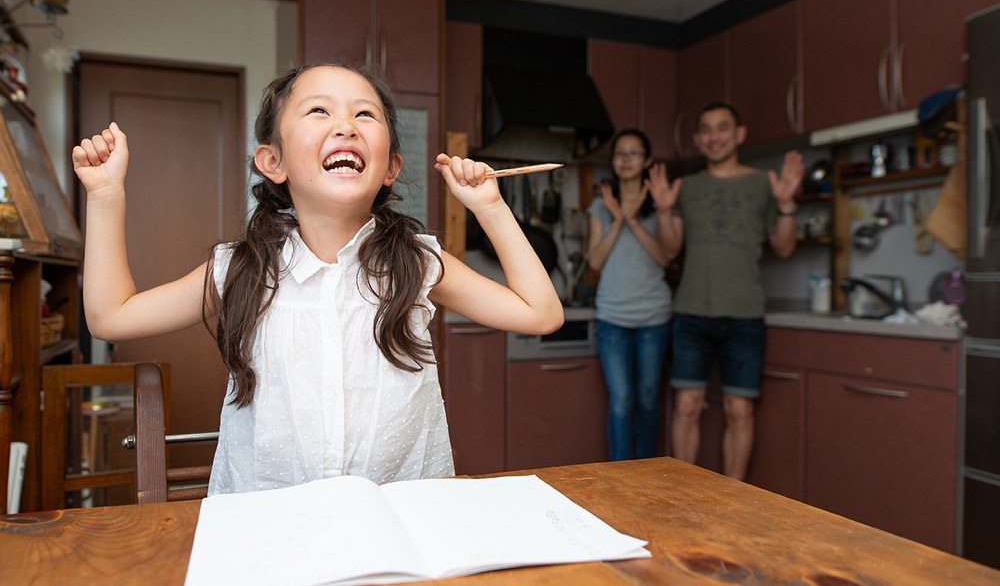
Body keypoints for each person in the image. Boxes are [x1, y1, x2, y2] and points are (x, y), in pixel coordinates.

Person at [73, 63, 564, 495]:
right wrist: (104, 194)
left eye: (365, 115)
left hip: (404, 520)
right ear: (274, 162)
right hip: (270, 528)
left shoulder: (416, 262)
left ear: (391, 167)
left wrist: (490, 207)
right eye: (319, 112)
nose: (346, 126)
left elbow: (540, 314)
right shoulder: (239, 267)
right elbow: (109, 316)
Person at [647, 102, 804, 481]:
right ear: (698, 138)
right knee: (687, 406)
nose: (714, 136)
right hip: (691, 313)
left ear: (739, 134)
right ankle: (685, 493)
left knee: (739, 410)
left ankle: (734, 499)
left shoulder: (763, 184)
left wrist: (785, 204)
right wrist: (665, 211)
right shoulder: (688, 186)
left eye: (722, 128)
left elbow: (784, 248)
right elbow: (669, 251)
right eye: (706, 129)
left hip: (745, 314)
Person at [586, 129, 673, 461]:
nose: (625, 159)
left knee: (649, 397)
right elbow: (594, 261)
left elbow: (665, 257)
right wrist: (618, 219)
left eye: (634, 153)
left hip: (654, 316)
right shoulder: (601, 205)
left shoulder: (660, 202)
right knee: (621, 400)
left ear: (648, 160)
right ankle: (620, 475)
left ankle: (649, 470)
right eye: (620, 153)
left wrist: (634, 220)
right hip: (613, 317)